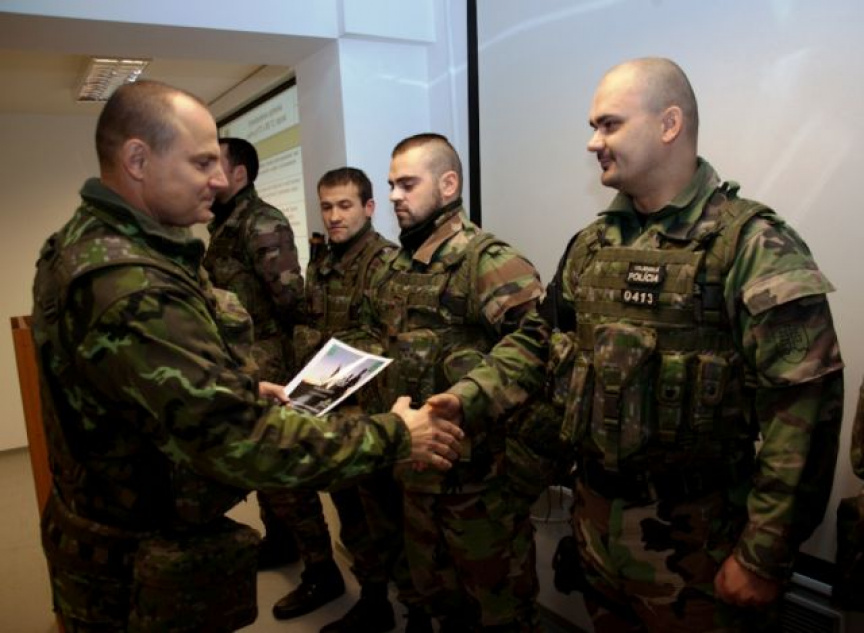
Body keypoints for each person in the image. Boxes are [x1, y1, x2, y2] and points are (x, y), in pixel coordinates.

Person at [29, 80, 463, 633]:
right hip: (131, 575)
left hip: (121, 549)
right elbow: (243, 443)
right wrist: (398, 436)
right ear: (137, 160)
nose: (219, 180)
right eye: (202, 162)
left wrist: (234, 388)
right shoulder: (131, 282)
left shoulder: (92, 245)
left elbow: (142, 390)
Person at [429, 57, 844, 632]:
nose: (592, 142)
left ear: (669, 124)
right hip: (597, 529)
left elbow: (803, 410)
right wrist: (466, 398)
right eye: (593, 126)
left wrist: (763, 554)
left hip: (701, 544)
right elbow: (538, 343)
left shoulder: (751, 245)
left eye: (610, 124)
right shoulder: (593, 245)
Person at [361, 133, 546, 631]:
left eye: (407, 184)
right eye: (391, 185)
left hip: (479, 487)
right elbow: (378, 342)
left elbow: (540, 348)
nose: (394, 196)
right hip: (416, 475)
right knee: (439, 601)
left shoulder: (488, 261)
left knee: (499, 611)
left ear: (448, 185)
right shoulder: (394, 267)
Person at [269, 167, 400, 628]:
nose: (334, 216)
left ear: (369, 207)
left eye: (345, 205)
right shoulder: (323, 261)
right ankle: (370, 596)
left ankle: (384, 602)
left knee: (375, 515)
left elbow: (385, 339)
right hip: (328, 405)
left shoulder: (386, 263)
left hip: (366, 411)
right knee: (348, 508)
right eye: (327, 206)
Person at [202, 136, 310, 575]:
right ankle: (280, 541)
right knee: (260, 462)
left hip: (269, 358)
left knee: (280, 464)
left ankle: (319, 568)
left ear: (239, 174)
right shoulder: (224, 226)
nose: (207, 177)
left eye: (215, 165)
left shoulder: (261, 221)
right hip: (243, 359)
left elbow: (290, 298)